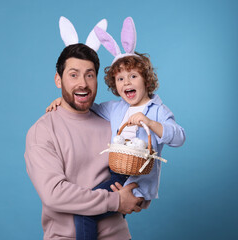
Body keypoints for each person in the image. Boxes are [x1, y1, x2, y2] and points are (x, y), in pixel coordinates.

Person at [46, 17, 186, 240]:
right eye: (120, 78)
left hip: (136, 179)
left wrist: (150, 124)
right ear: (115, 85)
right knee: (93, 213)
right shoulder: (116, 109)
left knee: (85, 213)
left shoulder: (157, 110)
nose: (126, 82)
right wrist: (61, 102)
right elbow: (86, 104)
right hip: (117, 171)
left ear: (147, 81)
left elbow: (179, 137)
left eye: (133, 76)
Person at [25, 43, 146, 240]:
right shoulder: (43, 131)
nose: (83, 83)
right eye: (73, 75)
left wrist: (138, 196)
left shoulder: (113, 124)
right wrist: (115, 201)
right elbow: (54, 194)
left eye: (89, 75)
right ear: (58, 80)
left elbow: (136, 176)